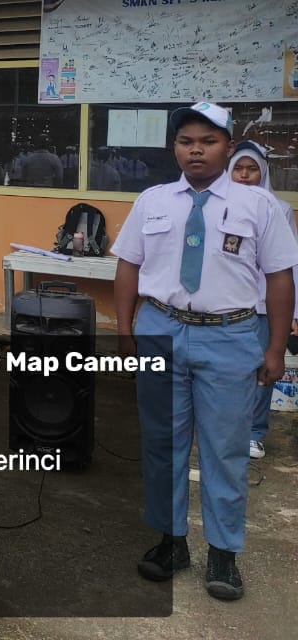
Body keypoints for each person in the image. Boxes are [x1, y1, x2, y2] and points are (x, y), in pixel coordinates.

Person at [113, 102, 297, 602]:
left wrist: (276, 347)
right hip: (160, 328)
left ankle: (223, 553)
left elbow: (280, 279)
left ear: (229, 147)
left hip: (231, 334)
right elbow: (128, 267)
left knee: (226, 447)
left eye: (208, 141)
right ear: (175, 148)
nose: (195, 149)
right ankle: (171, 542)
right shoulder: (151, 200)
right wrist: (125, 332)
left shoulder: (260, 207)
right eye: (186, 141)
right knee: (161, 444)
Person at [227, 139, 298, 460]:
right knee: (228, 371)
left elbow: (289, 267)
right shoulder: (219, 205)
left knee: (263, 371)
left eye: (251, 169)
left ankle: (255, 433)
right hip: (227, 306)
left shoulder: (279, 209)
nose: (244, 175)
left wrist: (293, 312)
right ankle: (228, 429)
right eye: (238, 168)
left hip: (263, 308)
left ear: (263, 172)